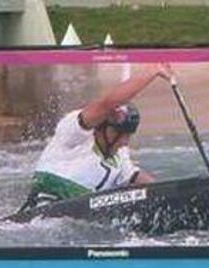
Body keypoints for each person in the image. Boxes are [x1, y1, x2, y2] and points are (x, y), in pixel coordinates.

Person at [20, 63, 174, 211]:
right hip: (44, 210)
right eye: (120, 134)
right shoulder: (72, 132)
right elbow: (107, 104)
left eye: (128, 135)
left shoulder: (119, 159)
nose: (124, 141)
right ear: (102, 126)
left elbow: (139, 180)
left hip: (80, 221)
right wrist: (153, 70)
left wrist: (171, 195)